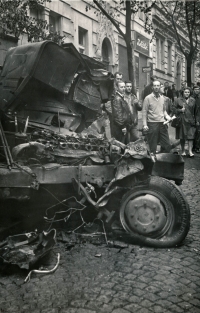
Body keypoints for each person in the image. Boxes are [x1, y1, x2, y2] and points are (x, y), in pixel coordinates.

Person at [142, 80, 180, 154]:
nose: (156, 87)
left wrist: (168, 117)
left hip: (162, 124)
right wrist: (145, 125)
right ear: (152, 87)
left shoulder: (162, 98)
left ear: (160, 87)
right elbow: (144, 112)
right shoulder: (148, 98)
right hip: (152, 124)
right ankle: (153, 162)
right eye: (155, 86)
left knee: (166, 145)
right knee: (152, 146)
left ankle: (162, 161)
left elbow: (164, 111)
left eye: (158, 86)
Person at [173, 87, 196, 157]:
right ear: (182, 92)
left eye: (188, 92)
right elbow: (173, 109)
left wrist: (195, 119)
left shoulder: (193, 100)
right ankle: (183, 151)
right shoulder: (177, 100)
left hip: (190, 120)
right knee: (182, 136)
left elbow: (195, 111)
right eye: (185, 92)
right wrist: (180, 110)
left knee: (191, 136)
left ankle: (190, 151)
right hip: (182, 120)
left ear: (190, 93)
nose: (187, 93)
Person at [193, 85, 200, 153]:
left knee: (198, 132)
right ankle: (194, 147)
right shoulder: (192, 98)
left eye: (198, 89)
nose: (197, 90)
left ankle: (197, 147)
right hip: (192, 117)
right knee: (194, 133)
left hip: (198, 117)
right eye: (195, 89)